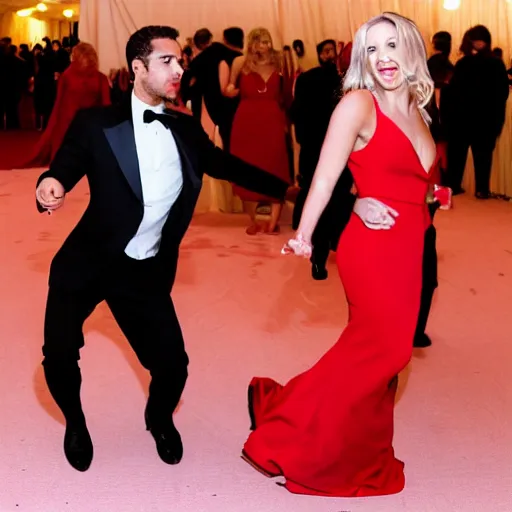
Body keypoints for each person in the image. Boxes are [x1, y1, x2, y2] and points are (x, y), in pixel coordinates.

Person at [35, 25, 289, 473]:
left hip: (144, 270)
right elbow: (65, 166)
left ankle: (158, 417)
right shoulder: (98, 124)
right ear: (138, 68)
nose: (178, 69)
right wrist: (49, 185)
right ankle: (74, 422)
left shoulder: (186, 131)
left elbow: (225, 165)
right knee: (58, 352)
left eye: (180, 61)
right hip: (88, 262)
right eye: (167, 61)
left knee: (174, 367)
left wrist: (286, 189)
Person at [242, 12, 437, 496]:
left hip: (413, 241)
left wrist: (432, 195)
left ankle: (345, 436)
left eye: (392, 45)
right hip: (371, 247)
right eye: (371, 49)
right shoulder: (357, 103)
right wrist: (306, 233)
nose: (383, 58)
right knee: (385, 349)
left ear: (411, 47)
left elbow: (415, 176)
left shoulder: (419, 103)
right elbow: (325, 174)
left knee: (382, 354)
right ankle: (292, 434)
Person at [291, 39, 356, 280]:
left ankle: (319, 260)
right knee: (340, 203)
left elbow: (296, 115)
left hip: (313, 152)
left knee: (319, 205)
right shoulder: (354, 84)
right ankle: (336, 248)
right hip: (342, 154)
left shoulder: (307, 79)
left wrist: (306, 144)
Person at [226, 28, 291, 235]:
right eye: (261, 42)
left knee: (276, 167)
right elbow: (228, 88)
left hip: (272, 119)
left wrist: (286, 123)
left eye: (267, 41)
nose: (266, 46)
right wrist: (231, 91)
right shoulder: (240, 62)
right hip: (246, 121)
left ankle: (272, 222)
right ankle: (255, 220)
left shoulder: (279, 61)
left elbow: (286, 93)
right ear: (252, 43)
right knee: (246, 169)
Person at [24, 42, 111, 166]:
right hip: (92, 125)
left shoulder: (67, 76)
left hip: (68, 122)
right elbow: (106, 105)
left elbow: (59, 103)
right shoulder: (100, 78)